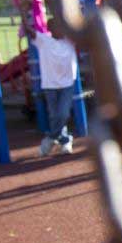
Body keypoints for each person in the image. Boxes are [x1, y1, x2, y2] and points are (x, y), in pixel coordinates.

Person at [29, 17, 79, 156]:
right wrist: (23, 10)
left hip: (67, 83)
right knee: (54, 115)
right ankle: (64, 141)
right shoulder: (44, 41)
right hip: (50, 84)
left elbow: (80, 28)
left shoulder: (70, 41)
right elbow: (29, 30)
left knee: (63, 113)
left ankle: (50, 139)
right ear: (51, 30)